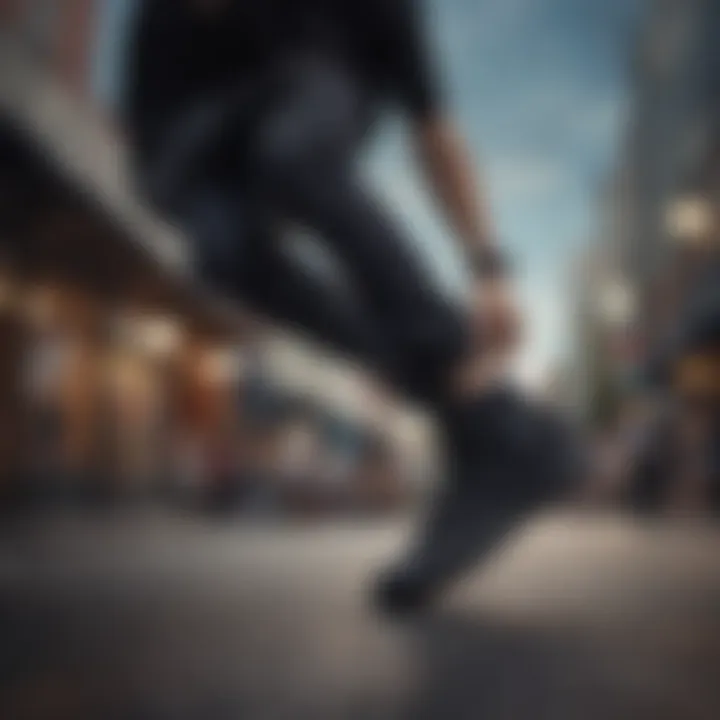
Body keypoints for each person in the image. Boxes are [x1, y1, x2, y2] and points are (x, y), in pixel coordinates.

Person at [123, 0, 567, 613]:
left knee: (292, 154)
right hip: (185, 127)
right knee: (224, 247)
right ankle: (492, 426)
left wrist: (487, 266)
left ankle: (487, 422)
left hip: (305, 96)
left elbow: (433, 130)